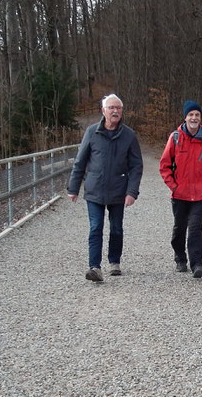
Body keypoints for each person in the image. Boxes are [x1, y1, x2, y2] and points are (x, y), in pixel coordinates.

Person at [67, 94, 143, 281]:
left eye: (118, 108)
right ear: (103, 111)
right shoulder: (92, 132)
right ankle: (95, 267)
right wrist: (73, 188)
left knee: (116, 228)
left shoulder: (129, 135)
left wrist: (132, 192)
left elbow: (136, 166)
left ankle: (114, 261)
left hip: (118, 190)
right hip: (94, 190)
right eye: (111, 108)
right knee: (96, 227)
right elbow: (80, 161)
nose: (115, 111)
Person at [159, 100, 202, 278]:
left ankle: (197, 264)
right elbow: (164, 166)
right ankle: (180, 258)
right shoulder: (175, 138)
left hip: (200, 194)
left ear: (200, 118)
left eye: (197, 115)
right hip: (180, 194)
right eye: (191, 115)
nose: (194, 118)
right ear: (185, 117)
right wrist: (174, 187)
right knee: (179, 228)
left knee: (195, 227)